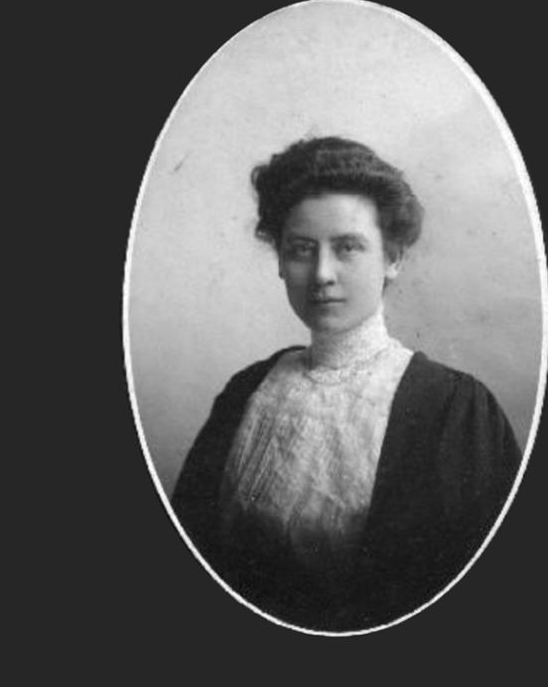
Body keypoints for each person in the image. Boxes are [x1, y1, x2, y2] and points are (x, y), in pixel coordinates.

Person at [171, 136, 521, 631]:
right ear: (279, 262)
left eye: (348, 247)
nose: (322, 274)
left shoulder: (453, 410)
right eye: (301, 249)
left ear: (393, 258)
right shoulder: (246, 391)